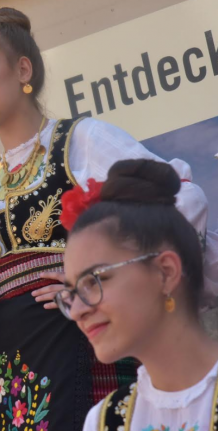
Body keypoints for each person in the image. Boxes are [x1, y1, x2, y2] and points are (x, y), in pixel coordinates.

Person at [0, 7, 216, 430]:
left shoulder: (82, 140)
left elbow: (180, 199)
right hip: (13, 376)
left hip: (80, 351)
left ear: (23, 69)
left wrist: (87, 279)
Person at [55, 159, 218, 430]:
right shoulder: (104, 420)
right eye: (71, 293)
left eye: (95, 280)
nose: (76, 311)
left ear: (165, 272)